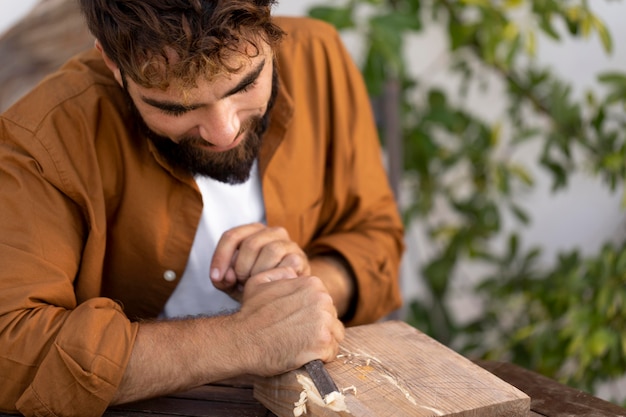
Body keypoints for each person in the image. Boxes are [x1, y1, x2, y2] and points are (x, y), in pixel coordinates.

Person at [0, 0, 405, 416]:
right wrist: (245, 338)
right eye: (176, 107)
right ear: (112, 63)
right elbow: (11, 350)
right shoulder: (43, 137)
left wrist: (298, 289)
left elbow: (376, 239)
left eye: (246, 84)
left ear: (268, 26)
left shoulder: (319, 55)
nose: (223, 132)